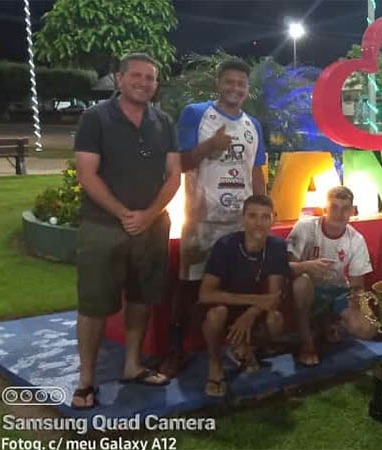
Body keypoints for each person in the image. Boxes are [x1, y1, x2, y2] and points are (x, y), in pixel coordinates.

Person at [71, 53, 181, 409]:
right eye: (136, 76)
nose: (143, 82)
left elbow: (174, 175)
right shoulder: (95, 118)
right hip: (103, 227)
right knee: (94, 304)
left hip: (150, 228)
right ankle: (86, 381)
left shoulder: (163, 121)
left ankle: (133, 365)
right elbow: (87, 173)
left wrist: (149, 215)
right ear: (119, 79)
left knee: (141, 298)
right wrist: (123, 214)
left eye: (150, 77)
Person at [162, 59, 268, 377]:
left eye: (241, 84)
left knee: (239, 285)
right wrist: (211, 145)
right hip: (202, 221)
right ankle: (175, 352)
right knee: (188, 287)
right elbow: (180, 162)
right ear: (219, 84)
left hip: (241, 224)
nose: (235, 88)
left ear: (247, 90)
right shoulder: (197, 114)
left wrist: (264, 212)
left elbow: (256, 171)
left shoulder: (253, 125)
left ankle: (239, 346)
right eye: (229, 82)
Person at [199, 195, 288, 397]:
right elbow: (205, 294)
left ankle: (246, 348)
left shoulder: (276, 247)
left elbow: (273, 297)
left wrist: (251, 312)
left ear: (273, 219)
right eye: (253, 216)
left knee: (275, 320)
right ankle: (215, 364)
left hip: (253, 312)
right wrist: (254, 300)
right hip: (223, 306)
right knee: (216, 314)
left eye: (265, 217)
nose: (259, 223)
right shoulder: (225, 246)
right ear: (243, 219)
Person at [286, 186, 378, 366]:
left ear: (352, 211)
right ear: (325, 208)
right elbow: (285, 268)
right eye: (334, 207)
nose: (339, 213)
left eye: (345, 208)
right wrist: (308, 266)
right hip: (307, 292)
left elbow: (357, 286)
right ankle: (308, 345)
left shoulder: (356, 239)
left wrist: (357, 298)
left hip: (336, 292)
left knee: (368, 329)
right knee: (301, 283)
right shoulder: (305, 227)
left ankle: (328, 327)